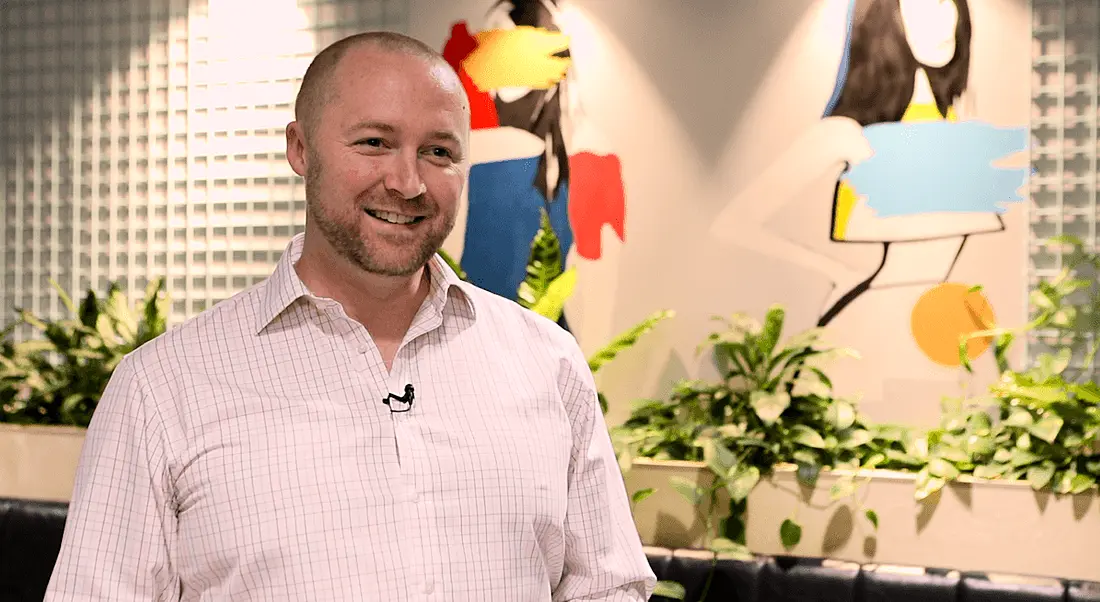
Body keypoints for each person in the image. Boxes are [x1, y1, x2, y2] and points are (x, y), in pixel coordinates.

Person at [44, 31, 656, 601]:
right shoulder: (162, 389)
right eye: (374, 142)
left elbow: (608, 589)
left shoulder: (546, 363)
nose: (407, 181)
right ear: (300, 149)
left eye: (439, 152)